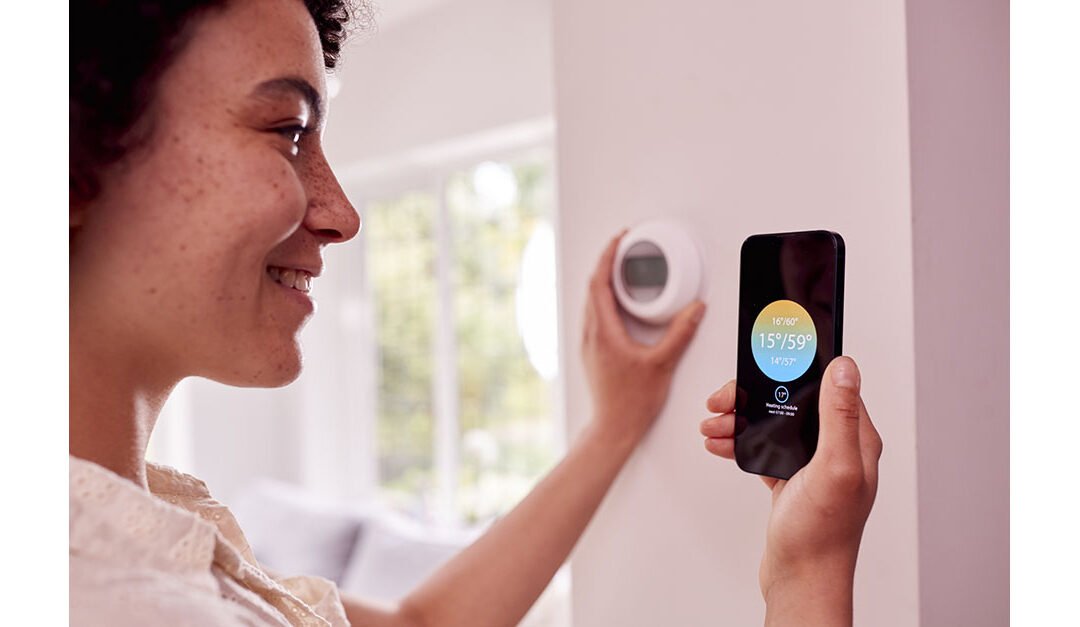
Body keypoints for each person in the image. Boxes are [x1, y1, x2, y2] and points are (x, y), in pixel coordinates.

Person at [69, 1, 880, 625]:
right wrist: (810, 579)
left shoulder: (152, 532)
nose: (343, 212)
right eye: (288, 132)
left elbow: (426, 622)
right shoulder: (110, 593)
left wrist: (616, 428)